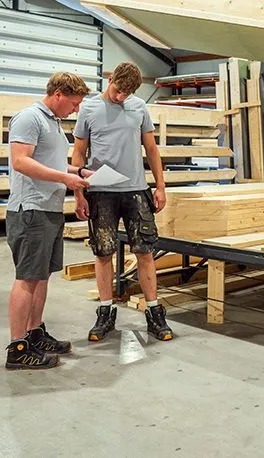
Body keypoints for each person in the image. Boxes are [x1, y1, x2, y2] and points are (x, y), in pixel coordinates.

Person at [72, 62, 173, 342]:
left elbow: (151, 149)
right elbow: (79, 152)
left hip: (136, 190)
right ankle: (105, 313)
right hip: (100, 191)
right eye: (117, 90)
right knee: (103, 252)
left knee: (145, 251)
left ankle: (154, 312)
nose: (120, 97)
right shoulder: (88, 108)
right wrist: (78, 193)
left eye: (126, 94)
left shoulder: (139, 107)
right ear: (110, 79)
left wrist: (160, 186)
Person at [5, 73, 92, 370]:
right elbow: (20, 161)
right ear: (58, 94)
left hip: (49, 209)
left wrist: (79, 173)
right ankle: (17, 347)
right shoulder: (29, 118)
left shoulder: (53, 122)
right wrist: (64, 178)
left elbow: (52, 163)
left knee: (41, 276)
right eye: (74, 103)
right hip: (30, 209)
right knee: (27, 278)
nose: (76, 109)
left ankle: (34, 333)